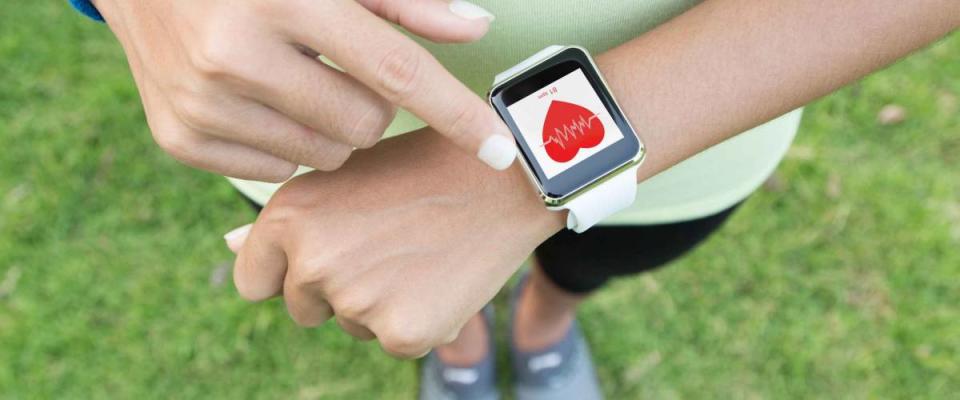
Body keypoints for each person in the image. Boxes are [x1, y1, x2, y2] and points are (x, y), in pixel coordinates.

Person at [71, 0, 959, 399]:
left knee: (597, 259)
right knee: (416, 298)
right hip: (306, 128)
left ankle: (543, 327)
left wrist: (510, 174)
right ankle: (462, 346)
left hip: (690, 134)